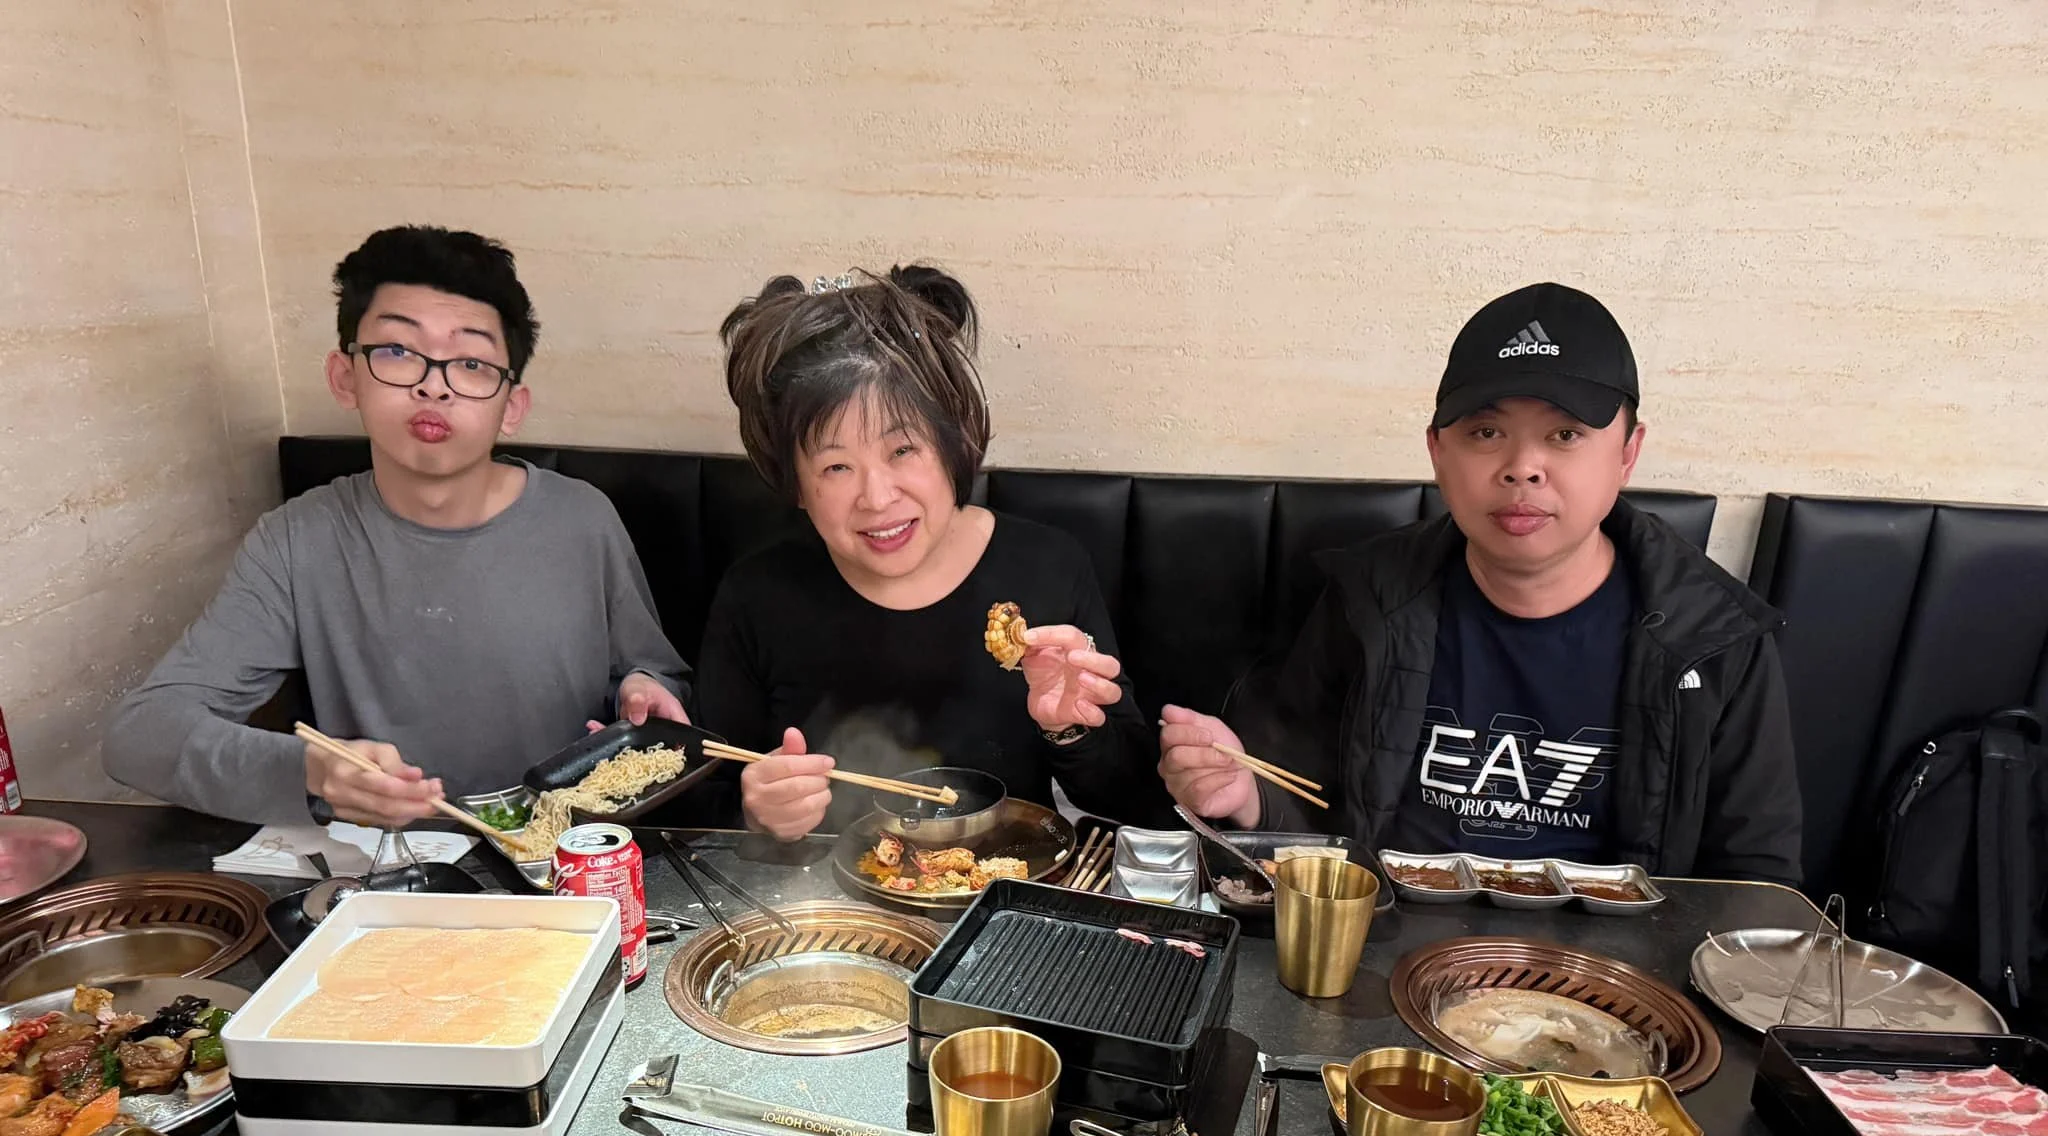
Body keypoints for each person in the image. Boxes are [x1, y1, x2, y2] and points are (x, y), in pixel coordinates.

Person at [1159, 282, 1802, 882]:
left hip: (1612, 959)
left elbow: (1753, 882)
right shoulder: (1366, 600)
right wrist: (1246, 796)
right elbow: (1309, 821)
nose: (1523, 468)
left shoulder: (1713, 639)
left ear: (1627, 453)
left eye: (1566, 434)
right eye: (1486, 433)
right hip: (1389, 939)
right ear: (1438, 451)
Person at [104, 226, 687, 828]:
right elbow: (141, 735)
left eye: (471, 363)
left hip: (567, 849)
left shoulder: (581, 518)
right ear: (344, 377)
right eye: (398, 351)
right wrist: (313, 771)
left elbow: (654, 672)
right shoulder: (296, 541)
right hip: (387, 859)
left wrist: (644, 689)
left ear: (511, 406)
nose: (432, 384)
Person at [694, 266, 1164, 838]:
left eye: (902, 450)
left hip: (1008, 885)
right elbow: (700, 805)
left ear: (954, 443)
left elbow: (1135, 800)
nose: (877, 497)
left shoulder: (1047, 566)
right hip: (818, 890)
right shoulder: (757, 596)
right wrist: (756, 812)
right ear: (795, 483)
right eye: (836, 466)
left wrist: (1069, 729)